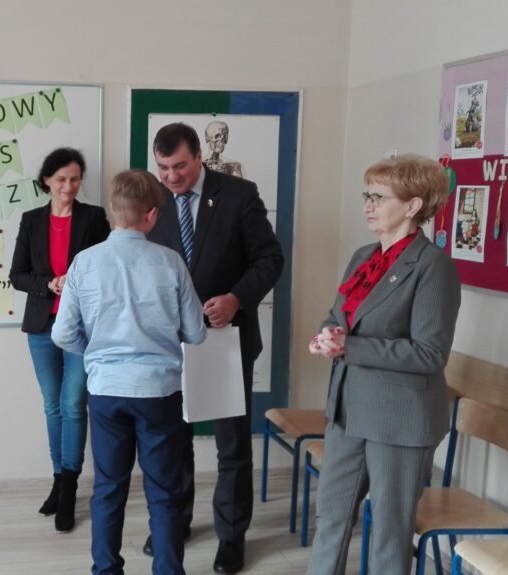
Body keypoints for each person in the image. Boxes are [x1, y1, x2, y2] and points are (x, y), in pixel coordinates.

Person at [305, 154, 461, 575]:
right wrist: (327, 335)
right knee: (331, 518)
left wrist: (349, 348)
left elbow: (430, 353)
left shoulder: (433, 266)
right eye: (367, 195)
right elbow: (339, 316)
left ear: (413, 206)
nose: (368, 206)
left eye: (379, 197)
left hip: (399, 418)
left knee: (390, 534)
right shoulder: (364, 256)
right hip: (347, 410)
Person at [52, 169, 207, 575]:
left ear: (111, 208)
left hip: (106, 391)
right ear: (152, 215)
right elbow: (196, 333)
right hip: (159, 393)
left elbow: (62, 334)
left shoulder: (84, 263)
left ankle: (106, 570)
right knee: (165, 491)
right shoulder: (170, 262)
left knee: (108, 488)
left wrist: (97, 353)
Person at [146, 123, 284, 574]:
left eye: (180, 166)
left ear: (199, 157)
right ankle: (177, 520)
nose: (171, 177)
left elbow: (270, 258)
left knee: (231, 445)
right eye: (163, 168)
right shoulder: (153, 199)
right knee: (173, 439)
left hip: (227, 338)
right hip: (169, 342)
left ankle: (231, 536)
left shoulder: (239, 194)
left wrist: (237, 298)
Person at [8, 147, 110, 533]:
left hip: (81, 327)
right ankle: (57, 479)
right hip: (41, 327)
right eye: (62, 179)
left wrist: (78, 282)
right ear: (47, 181)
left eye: (75, 179)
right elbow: (17, 275)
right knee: (52, 406)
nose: (69, 186)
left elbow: (107, 268)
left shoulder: (94, 218)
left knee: (73, 404)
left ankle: (70, 486)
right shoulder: (31, 220)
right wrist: (49, 284)